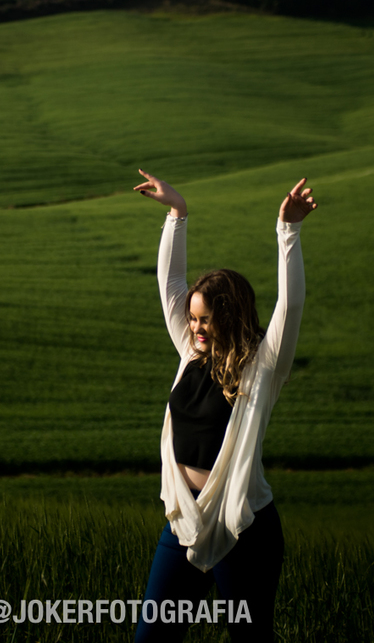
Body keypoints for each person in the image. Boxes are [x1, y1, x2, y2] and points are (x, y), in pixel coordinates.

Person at [131, 169, 315, 643]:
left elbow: (290, 308)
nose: (194, 327)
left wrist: (288, 231)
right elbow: (170, 283)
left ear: (228, 317)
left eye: (205, 319)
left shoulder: (263, 366)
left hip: (244, 531)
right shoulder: (191, 354)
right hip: (183, 525)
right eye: (192, 318)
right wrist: (177, 214)